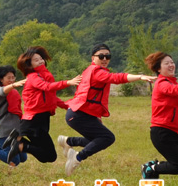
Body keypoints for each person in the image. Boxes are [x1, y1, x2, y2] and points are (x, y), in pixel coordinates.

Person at [60, 43, 155, 176]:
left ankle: (68, 141)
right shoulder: (98, 72)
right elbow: (116, 78)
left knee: (97, 139)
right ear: (93, 58)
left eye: (108, 56)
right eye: (101, 56)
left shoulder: (90, 70)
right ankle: (76, 158)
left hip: (80, 113)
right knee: (107, 137)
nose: (105, 59)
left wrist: (96, 116)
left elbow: (89, 94)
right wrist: (139, 77)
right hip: (79, 115)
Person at [142, 52, 178, 180]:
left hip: (174, 132)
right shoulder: (162, 84)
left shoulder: (172, 83)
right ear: (159, 68)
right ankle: (151, 168)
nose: (171, 65)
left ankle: (154, 166)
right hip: (162, 132)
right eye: (166, 63)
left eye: (172, 62)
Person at [15, 47, 79, 164]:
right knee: (49, 155)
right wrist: (68, 82)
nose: (40, 61)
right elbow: (47, 87)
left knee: (48, 156)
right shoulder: (34, 77)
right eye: (36, 60)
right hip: (33, 121)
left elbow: (51, 97)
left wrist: (67, 106)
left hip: (41, 120)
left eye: (41, 59)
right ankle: (16, 143)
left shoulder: (43, 75)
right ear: (29, 65)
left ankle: (18, 143)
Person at [0, 65, 27, 166]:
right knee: (15, 161)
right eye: (8, 78)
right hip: (3, 132)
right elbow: (2, 91)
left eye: (13, 77)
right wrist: (14, 85)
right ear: (1, 79)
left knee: (23, 158)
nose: (12, 80)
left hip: (15, 132)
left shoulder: (13, 91)